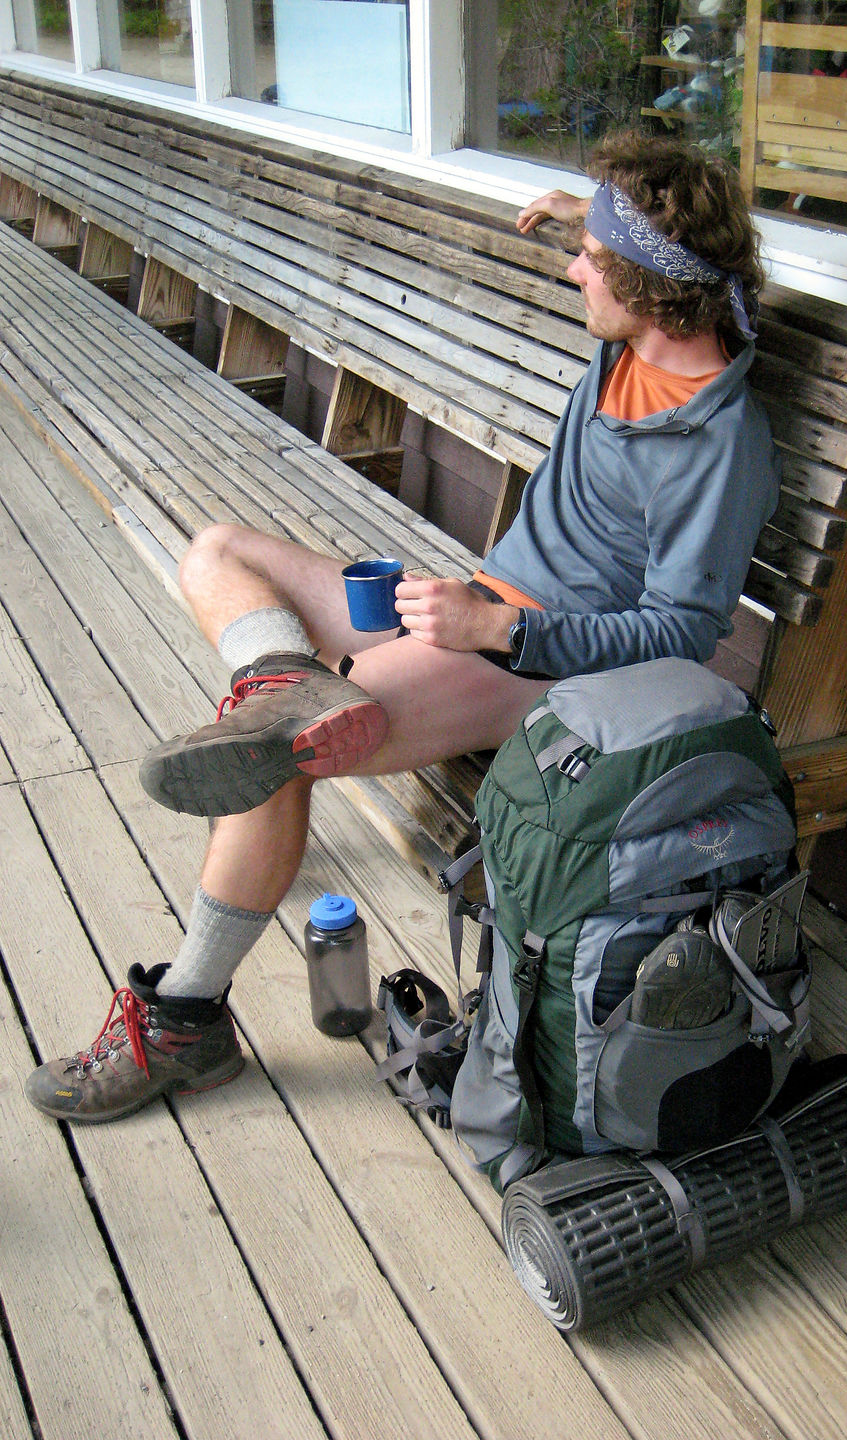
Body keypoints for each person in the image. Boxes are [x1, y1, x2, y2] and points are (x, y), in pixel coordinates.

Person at [25, 133, 780, 1123]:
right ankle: (284, 679)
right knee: (217, 551)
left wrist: (496, 632)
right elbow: (652, 247)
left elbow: (680, 631)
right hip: (474, 605)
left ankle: (185, 1020)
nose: (570, 267)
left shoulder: (718, 447)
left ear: (649, 284)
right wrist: (576, 206)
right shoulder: (638, 334)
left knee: (277, 754)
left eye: (589, 257)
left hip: (536, 663)